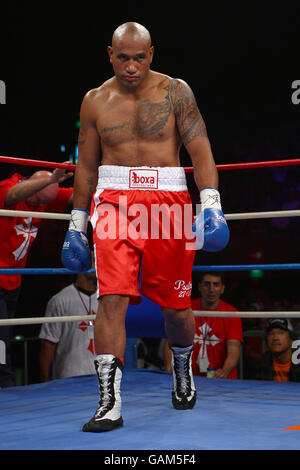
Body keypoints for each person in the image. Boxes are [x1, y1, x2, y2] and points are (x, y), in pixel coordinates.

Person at [61, 22, 229, 432]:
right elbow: (85, 167)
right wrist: (76, 223)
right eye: (123, 57)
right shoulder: (95, 101)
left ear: (151, 53)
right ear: (110, 54)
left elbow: (200, 148)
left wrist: (211, 203)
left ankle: (183, 366)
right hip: (114, 201)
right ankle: (109, 402)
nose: (131, 66)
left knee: (176, 308)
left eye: (139, 57)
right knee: (111, 299)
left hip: (168, 202)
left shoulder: (175, 91)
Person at [0, 166, 73, 387]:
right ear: (33, 188)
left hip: (14, 279)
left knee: (7, 336)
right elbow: (12, 195)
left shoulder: (46, 195)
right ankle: (5, 384)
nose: (41, 207)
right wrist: (50, 179)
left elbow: (75, 197)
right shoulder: (9, 186)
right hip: (0, 276)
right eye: (38, 202)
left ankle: (6, 382)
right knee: (0, 339)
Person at [164, 272, 243, 378]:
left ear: (222, 289)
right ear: (199, 287)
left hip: (221, 380)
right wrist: (170, 366)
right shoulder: (185, 310)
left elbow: (234, 348)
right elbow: (171, 341)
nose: (211, 289)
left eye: (216, 285)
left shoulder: (231, 313)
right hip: (188, 377)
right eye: (207, 284)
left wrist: (224, 370)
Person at [39, 257, 97, 381]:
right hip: (69, 377)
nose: (97, 264)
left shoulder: (106, 299)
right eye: (92, 259)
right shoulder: (60, 300)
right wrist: (44, 381)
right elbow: (48, 344)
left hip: (100, 376)